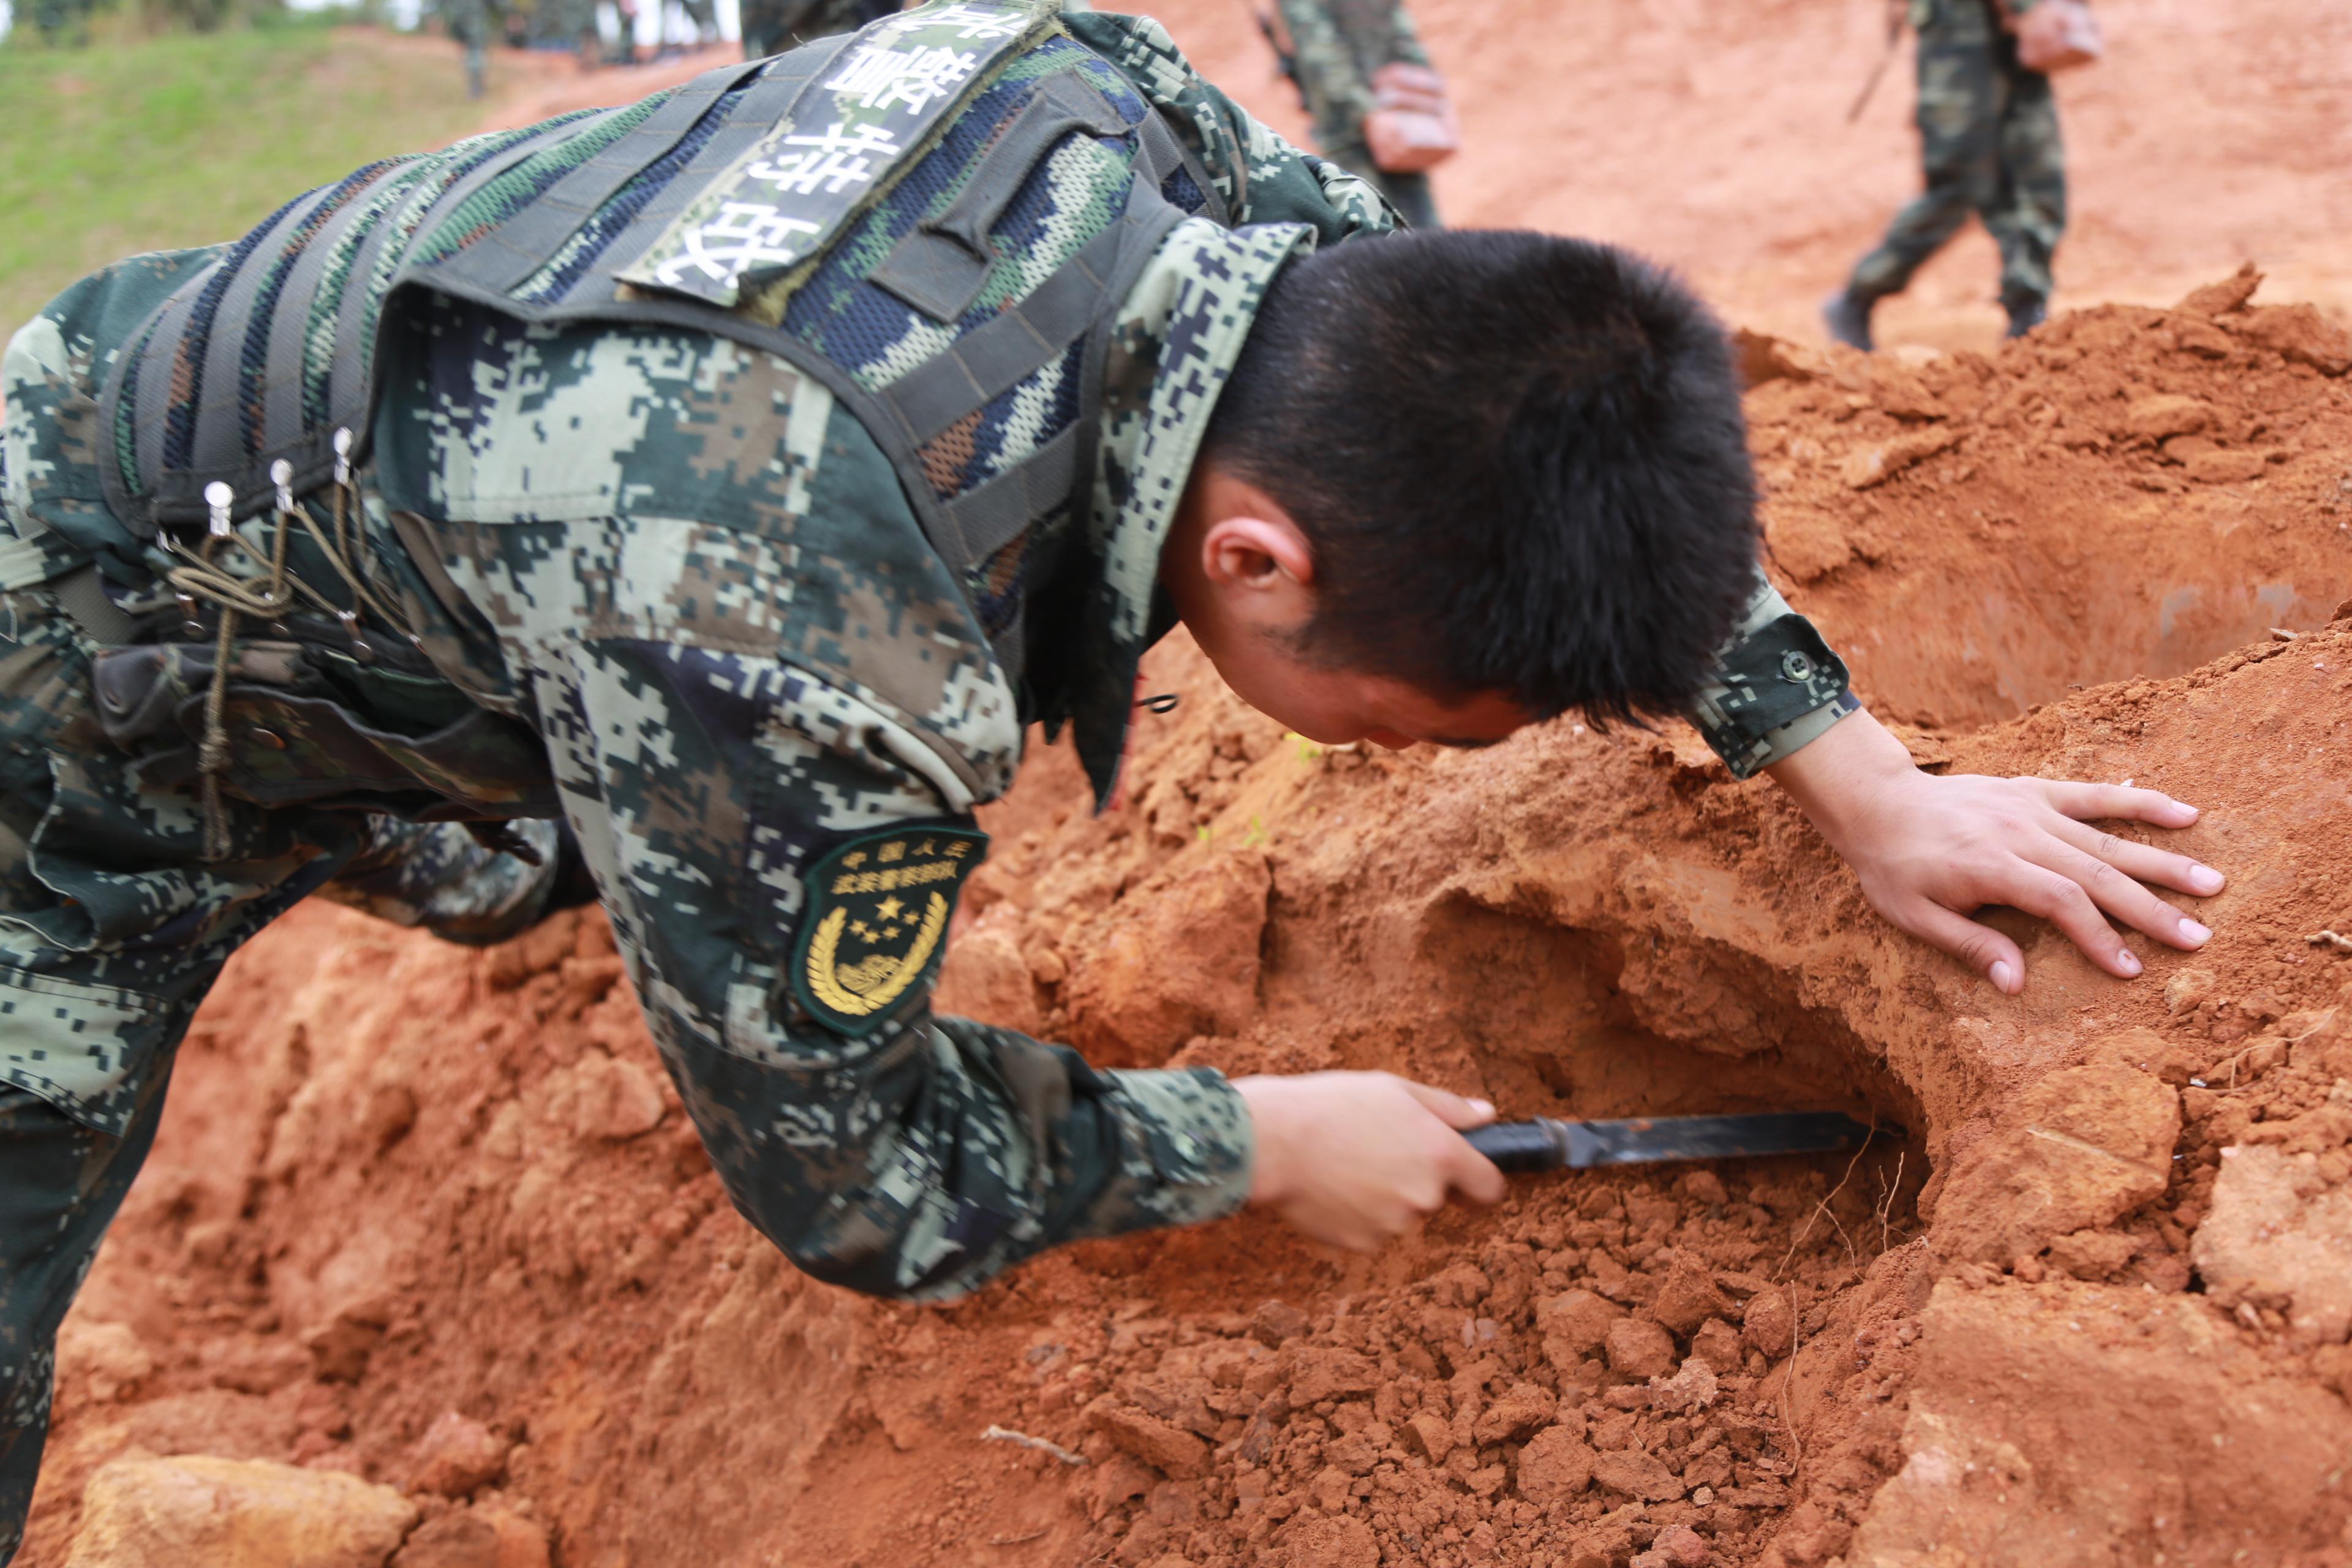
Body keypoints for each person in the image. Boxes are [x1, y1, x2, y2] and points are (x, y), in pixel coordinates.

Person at [0, 1, 2217, 1555]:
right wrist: (1252, 1136)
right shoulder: (803, 618)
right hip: (76, 681)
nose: (1457, 768)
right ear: (1255, 564)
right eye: (1442, 727)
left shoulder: (1103, 108)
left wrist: (1856, 762)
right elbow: (854, 1179)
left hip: (364, 495)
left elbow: (1506, 372)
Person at [1823, 0, 2067, 350]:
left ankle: (2028, 314)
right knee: (1958, 185)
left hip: (2015, 30)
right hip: (1959, 28)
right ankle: (1858, 296)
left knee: (2035, 174)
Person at [1264, 0, 1450, 229]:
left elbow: (1322, 55)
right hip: (1393, 116)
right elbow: (1405, 39)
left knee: (1377, 229)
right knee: (1420, 222)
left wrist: (1368, 114)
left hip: (1352, 131)